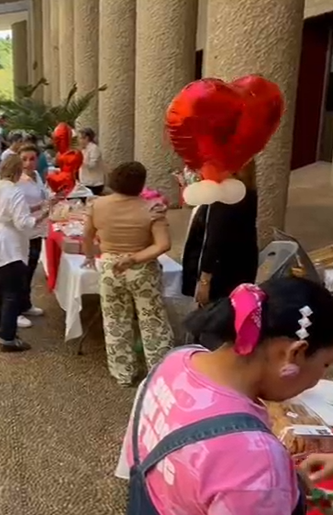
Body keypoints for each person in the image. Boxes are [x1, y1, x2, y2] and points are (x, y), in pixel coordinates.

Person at [115, 277, 333, 514]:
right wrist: (270, 483)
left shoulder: (176, 361)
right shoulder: (256, 462)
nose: (317, 380)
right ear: (295, 353)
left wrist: (282, 483)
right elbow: (242, 472)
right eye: (325, 364)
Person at [82, 161, 173, 386]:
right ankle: (159, 374)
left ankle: (123, 373)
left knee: (115, 320)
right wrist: (134, 258)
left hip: (111, 266)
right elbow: (163, 244)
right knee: (152, 321)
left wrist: (91, 256)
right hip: (142, 268)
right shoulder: (152, 208)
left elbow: (87, 237)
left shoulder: (97, 205)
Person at [0, 155, 47, 352]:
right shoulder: (14, 191)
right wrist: (42, 216)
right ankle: (8, 337)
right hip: (8, 245)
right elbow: (23, 223)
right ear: (17, 171)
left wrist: (33, 208)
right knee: (11, 292)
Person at [182, 160, 259, 306]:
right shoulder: (247, 192)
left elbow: (213, 240)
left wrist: (205, 280)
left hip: (220, 272)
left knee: (215, 313)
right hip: (241, 265)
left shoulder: (224, 197)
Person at [15, 146, 48, 328]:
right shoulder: (17, 181)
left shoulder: (36, 176)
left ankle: (25, 303)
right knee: (21, 271)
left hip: (37, 229)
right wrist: (41, 207)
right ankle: (16, 310)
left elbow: (42, 196)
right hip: (24, 231)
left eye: (32, 158)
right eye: (24, 159)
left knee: (31, 268)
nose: (28, 163)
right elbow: (17, 209)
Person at [78, 128, 106, 195]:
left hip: (94, 184)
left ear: (87, 138)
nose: (79, 140)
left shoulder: (94, 149)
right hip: (85, 182)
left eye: (81, 138)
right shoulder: (83, 149)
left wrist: (79, 161)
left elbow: (92, 165)